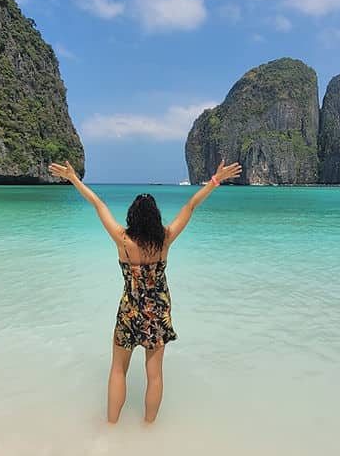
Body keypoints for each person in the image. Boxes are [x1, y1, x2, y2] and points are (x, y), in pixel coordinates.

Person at [47, 159, 242, 424]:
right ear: (155, 218)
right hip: (158, 312)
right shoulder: (166, 238)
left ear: (131, 217)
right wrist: (215, 180)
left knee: (118, 370)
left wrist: (73, 179)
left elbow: (98, 204)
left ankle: (111, 426)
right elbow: (191, 205)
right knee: (155, 376)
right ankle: (149, 429)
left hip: (129, 310)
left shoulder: (122, 240)